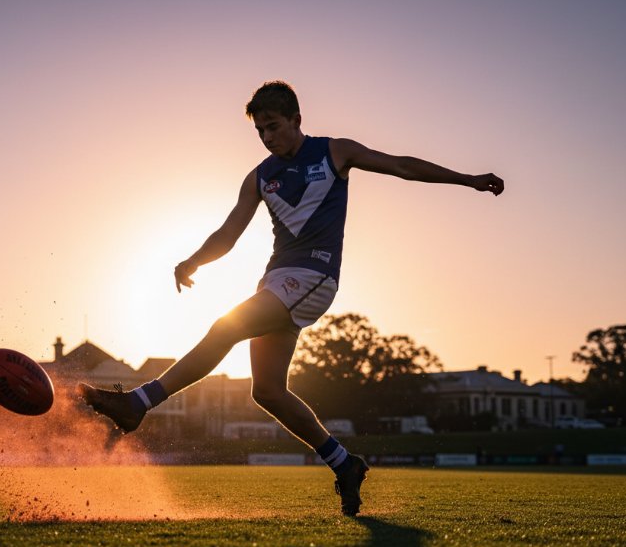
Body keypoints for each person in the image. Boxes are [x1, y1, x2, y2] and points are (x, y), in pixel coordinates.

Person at [79, 80, 504, 516]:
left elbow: (401, 165)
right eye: (260, 130)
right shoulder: (260, 177)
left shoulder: (335, 152)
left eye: (274, 126)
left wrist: (466, 179)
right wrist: (192, 262)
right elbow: (228, 233)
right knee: (266, 391)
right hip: (275, 283)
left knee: (229, 326)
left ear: (297, 120)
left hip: (315, 275)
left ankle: (139, 402)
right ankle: (345, 464)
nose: (267, 137)